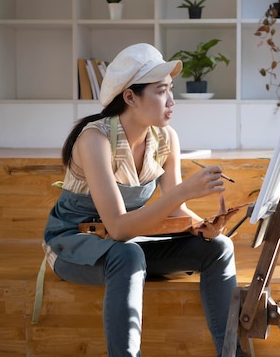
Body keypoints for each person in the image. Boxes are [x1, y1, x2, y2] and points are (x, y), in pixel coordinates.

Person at [41, 43, 241, 357]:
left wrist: (201, 225)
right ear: (131, 97)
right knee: (127, 255)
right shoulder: (94, 140)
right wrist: (184, 191)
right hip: (74, 244)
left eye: (170, 90)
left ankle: (232, 353)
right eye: (161, 91)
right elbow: (119, 228)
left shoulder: (165, 138)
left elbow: (174, 208)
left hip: (130, 242)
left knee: (218, 249)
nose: (171, 101)